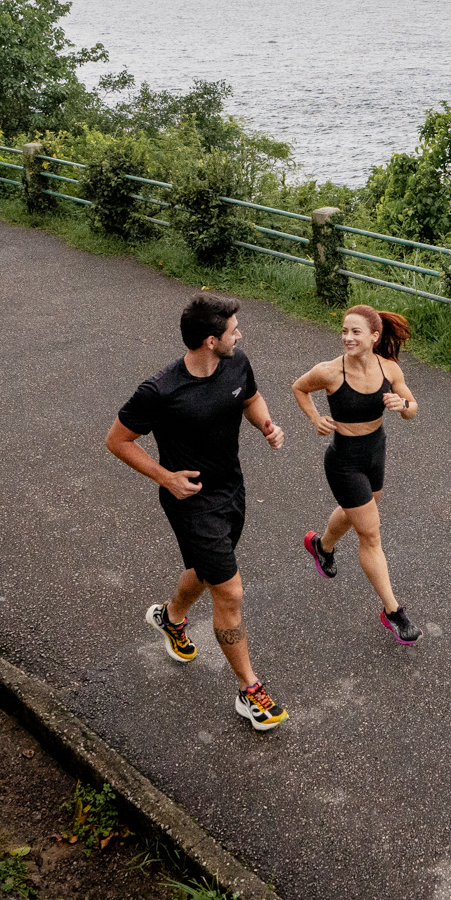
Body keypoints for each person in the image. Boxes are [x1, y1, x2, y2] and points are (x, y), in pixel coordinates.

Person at [105, 291, 288, 731]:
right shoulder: (160, 390)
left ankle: (171, 618)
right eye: (233, 331)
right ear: (210, 340)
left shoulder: (236, 363)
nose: (239, 335)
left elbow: (250, 399)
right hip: (191, 503)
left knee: (207, 573)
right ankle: (249, 690)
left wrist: (266, 424)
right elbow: (118, 440)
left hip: (231, 490)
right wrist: (165, 477)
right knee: (230, 592)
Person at [292, 304, 422, 645]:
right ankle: (392, 612)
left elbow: (413, 408)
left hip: (375, 454)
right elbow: (299, 387)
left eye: (355, 332)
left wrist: (402, 406)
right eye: (344, 331)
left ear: (374, 336)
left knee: (357, 513)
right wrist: (315, 418)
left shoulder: (389, 369)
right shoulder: (329, 372)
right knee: (370, 533)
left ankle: (322, 546)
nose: (347, 337)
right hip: (344, 461)